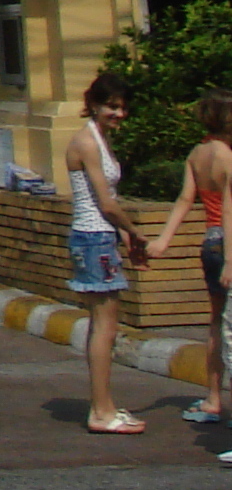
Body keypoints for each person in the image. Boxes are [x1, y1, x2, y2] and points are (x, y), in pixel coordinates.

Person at [144, 87, 232, 435]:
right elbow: (229, 209)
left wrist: (163, 241)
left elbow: (184, 199)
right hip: (227, 245)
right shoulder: (227, 156)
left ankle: (212, 398)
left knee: (215, 324)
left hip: (209, 243)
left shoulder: (197, 154)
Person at [66, 71, 151, 434]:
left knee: (104, 326)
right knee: (105, 328)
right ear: (94, 104)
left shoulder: (99, 140)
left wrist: (123, 234)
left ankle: (105, 405)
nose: (119, 114)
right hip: (93, 238)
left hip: (101, 236)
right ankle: (101, 412)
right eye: (112, 107)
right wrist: (134, 231)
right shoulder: (86, 142)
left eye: (122, 108)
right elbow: (106, 203)